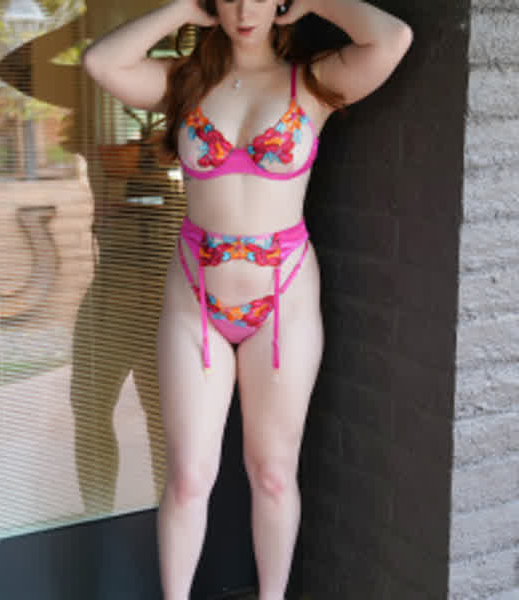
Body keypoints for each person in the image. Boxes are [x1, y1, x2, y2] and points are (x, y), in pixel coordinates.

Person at [81, 0, 412, 597]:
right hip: (195, 301)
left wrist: (313, 2)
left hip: (282, 305)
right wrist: (182, 8)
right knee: (187, 478)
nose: (243, 8)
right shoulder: (184, 83)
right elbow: (101, 62)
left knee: (274, 475)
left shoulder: (313, 81)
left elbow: (393, 39)